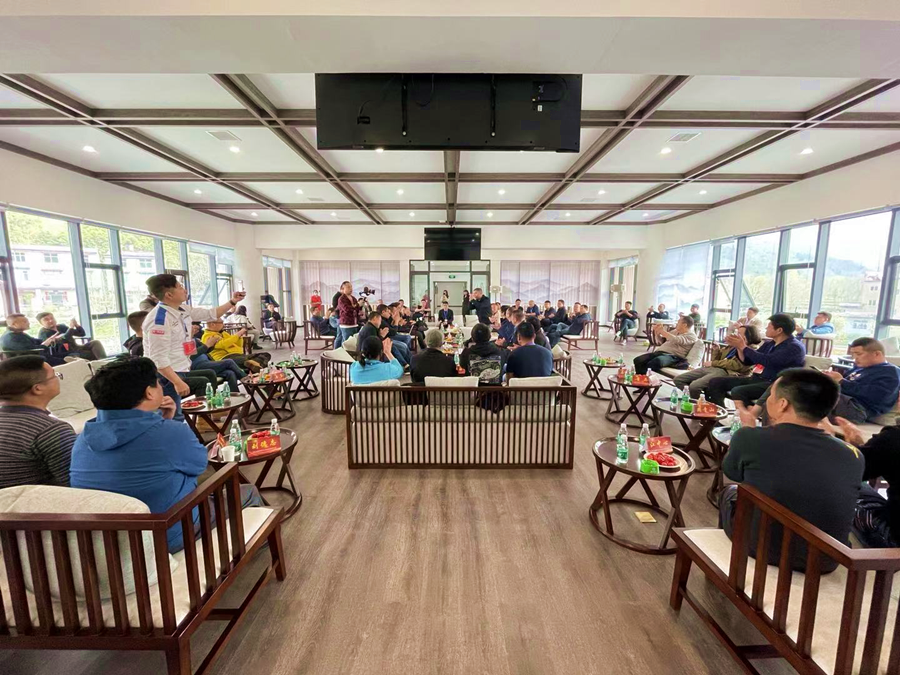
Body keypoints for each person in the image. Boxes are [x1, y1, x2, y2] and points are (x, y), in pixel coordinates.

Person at [69, 357, 262, 553]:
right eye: (159, 381)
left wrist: (166, 423)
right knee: (247, 492)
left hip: (112, 543)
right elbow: (200, 465)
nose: (162, 386)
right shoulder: (168, 433)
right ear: (149, 392)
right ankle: (260, 550)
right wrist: (170, 424)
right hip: (169, 533)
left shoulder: (82, 441)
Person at [719, 369, 863, 572]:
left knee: (729, 492)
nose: (767, 400)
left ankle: (728, 566)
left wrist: (746, 430)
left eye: (771, 395)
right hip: (825, 560)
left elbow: (732, 472)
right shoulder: (854, 455)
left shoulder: (750, 437)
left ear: (782, 404)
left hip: (759, 547)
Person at [141, 273, 246, 420]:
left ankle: (204, 420)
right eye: (180, 287)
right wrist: (177, 382)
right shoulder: (159, 320)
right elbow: (158, 358)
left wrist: (232, 301)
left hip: (181, 367)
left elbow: (210, 314)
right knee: (173, 414)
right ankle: (186, 431)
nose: (184, 290)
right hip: (167, 374)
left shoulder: (181, 309)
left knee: (177, 410)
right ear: (169, 295)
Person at [0, 355, 75, 489]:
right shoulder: (50, 430)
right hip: (35, 500)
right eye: (55, 375)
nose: (58, 378)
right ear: (38, 388)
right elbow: (78, 483)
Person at [826, 419, 900, 548]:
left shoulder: (892, 438)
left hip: (893, 539)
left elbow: (850, 472)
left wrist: (849, 445)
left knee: (848, 491)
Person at [706, 313, 806, 407]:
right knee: (715, 382)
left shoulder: (794, 347)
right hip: (758, 379)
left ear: (779, 330)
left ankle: (749, 415)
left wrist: (744, 347)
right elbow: (748, 361)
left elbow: (768, 360)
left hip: (775, 383)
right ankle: (718, 412)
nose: (766, 328)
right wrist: (739, 347)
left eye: (769, 326)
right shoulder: (770, 343)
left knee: (738, 391)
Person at [822, 337, 900, 423]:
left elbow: (874, 395)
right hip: (843, 401)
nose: (855, 358)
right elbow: (843, 384)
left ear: (877, 354)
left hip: (858, 409)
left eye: (859, 354)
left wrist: (841, 381)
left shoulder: (891, 372)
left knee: (817, 395)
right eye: (853, 354)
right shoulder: (859, 368)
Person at [673, 324, 762, 398]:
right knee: (678, 379)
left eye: (738, 333)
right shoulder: (732, 346)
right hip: (714, 369)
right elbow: (717, 360)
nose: (734, 335)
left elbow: (737, 365)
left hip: (728, 373)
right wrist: (716, 350)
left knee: (694, 386)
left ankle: (698, 406)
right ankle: (696, 399)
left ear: (747, 337)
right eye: (736, 332)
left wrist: (713, 363)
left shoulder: (752, 350)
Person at [189, 323, 245, 393]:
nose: (195, 329)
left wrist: (213, 344)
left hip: (207, 363)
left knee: (230, 373)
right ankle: (246, 378)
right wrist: (206, 345)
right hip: (198, 366)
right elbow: (190, 356)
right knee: (229, 362)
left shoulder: (195, 340)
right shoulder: (186, 342)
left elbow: (206, 350)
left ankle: (234, 395)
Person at [632, 316, 698, 375]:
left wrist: (662, 331)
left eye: (678, 322)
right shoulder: (675, 331)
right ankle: (641, 381)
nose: (676, 323)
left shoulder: (692, 336)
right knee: (638, 360)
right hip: (660, 353)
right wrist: (657, 333)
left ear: (684, 325)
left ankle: (645, 381)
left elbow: (676, 340)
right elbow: (662, 341)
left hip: (674, 356)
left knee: (656, 361)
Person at [36, 312, 106, 361]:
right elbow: (64, 338)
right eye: (46, 319)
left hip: (75, 347)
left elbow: (81, 334)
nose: (50, 320)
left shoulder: (61, 327)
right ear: (41, 323)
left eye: (52, 318)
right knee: (77, 355)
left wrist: (76, 325)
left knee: (95, 342)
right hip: (63, 352)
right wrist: (71, 328)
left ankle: (103, 362)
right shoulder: (43, 333)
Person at [1, 314, 66, 365]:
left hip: (35, 357)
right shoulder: (11, 337)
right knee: (65, 361)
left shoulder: (18, 333)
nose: (28, 323)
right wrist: (45, 345)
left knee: (67, 355)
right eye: (25, 322)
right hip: (28, 362)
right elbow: (30, 350)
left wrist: (50, 339)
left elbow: (35, 341)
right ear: (14, 324)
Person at [336, 281, 362, 348]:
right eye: (348, 287)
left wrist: (358, 306)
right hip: (346, 324)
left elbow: (357, 309)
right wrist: (356, 306)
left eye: (351, 287)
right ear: (343, 289)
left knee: (353, 342)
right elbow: (347, 309)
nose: (350, 288)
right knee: (347, 343)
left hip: (354, 323)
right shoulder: (341, 299)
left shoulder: (353, 298)